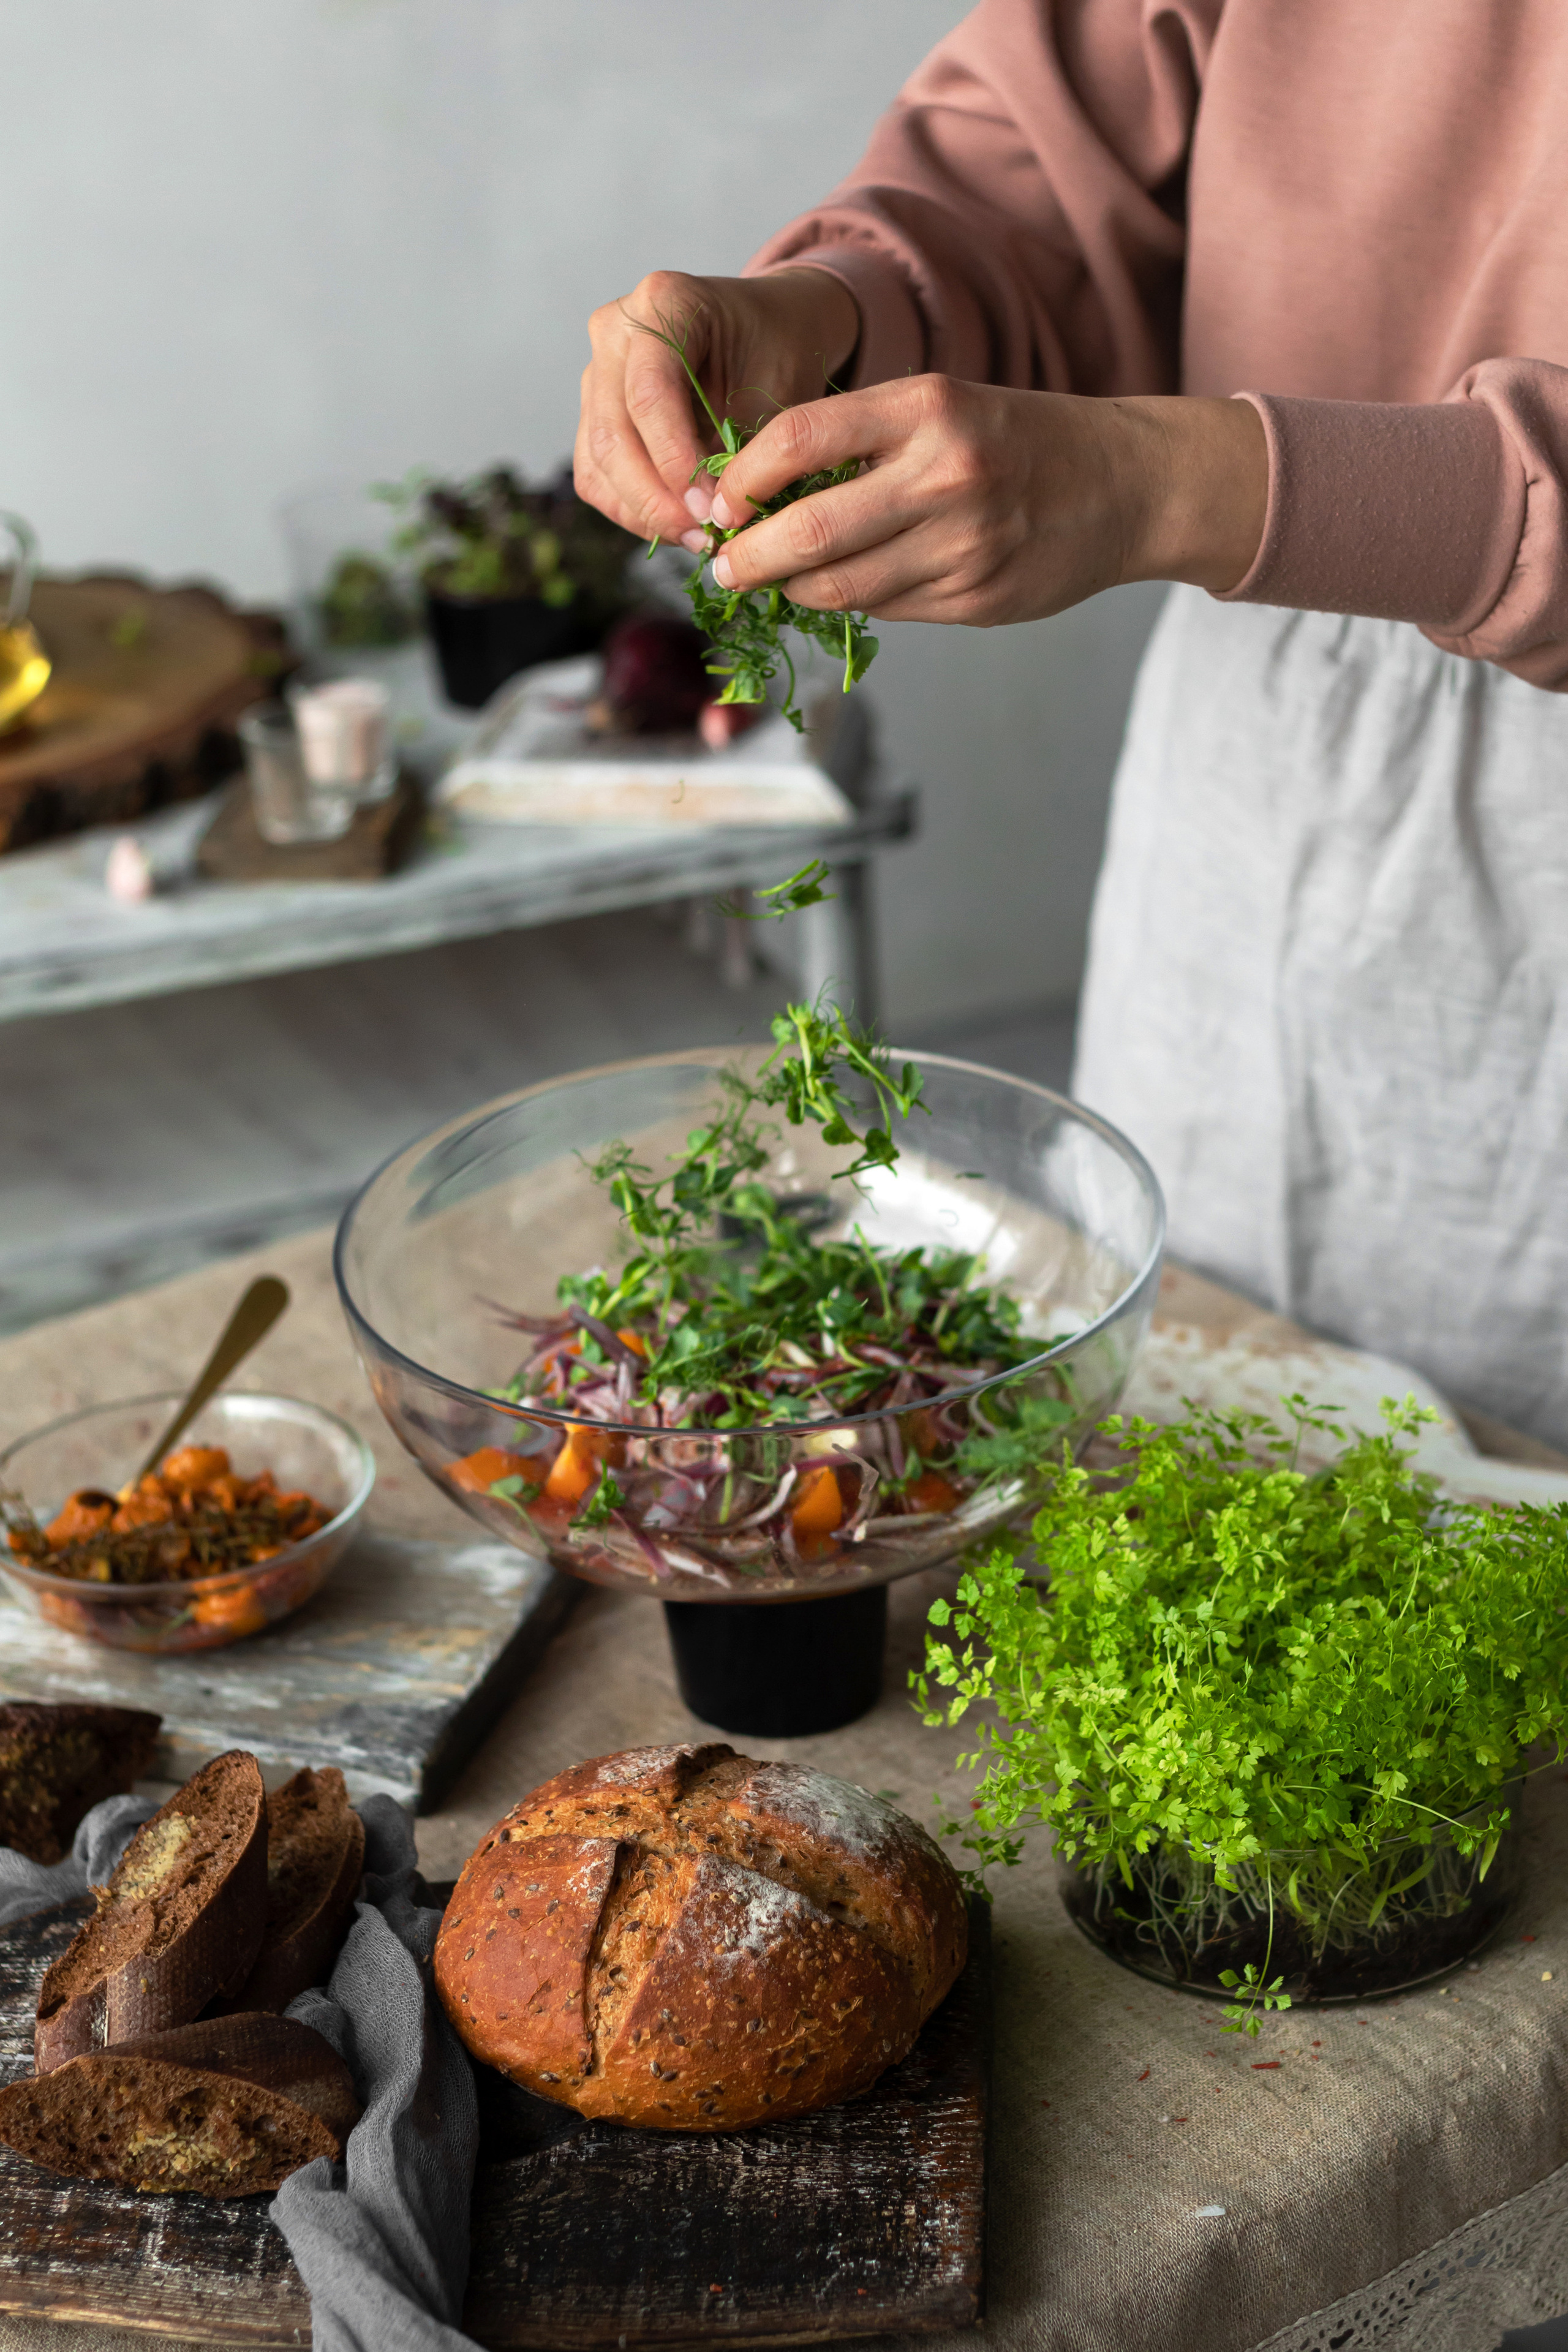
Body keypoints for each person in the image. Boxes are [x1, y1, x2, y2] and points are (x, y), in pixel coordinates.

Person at [574, 0, 1568, 1450]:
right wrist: (838, 308)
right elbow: (1048, 160)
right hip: (1261, 753)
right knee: (1199, 1408)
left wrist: (1173, 486)